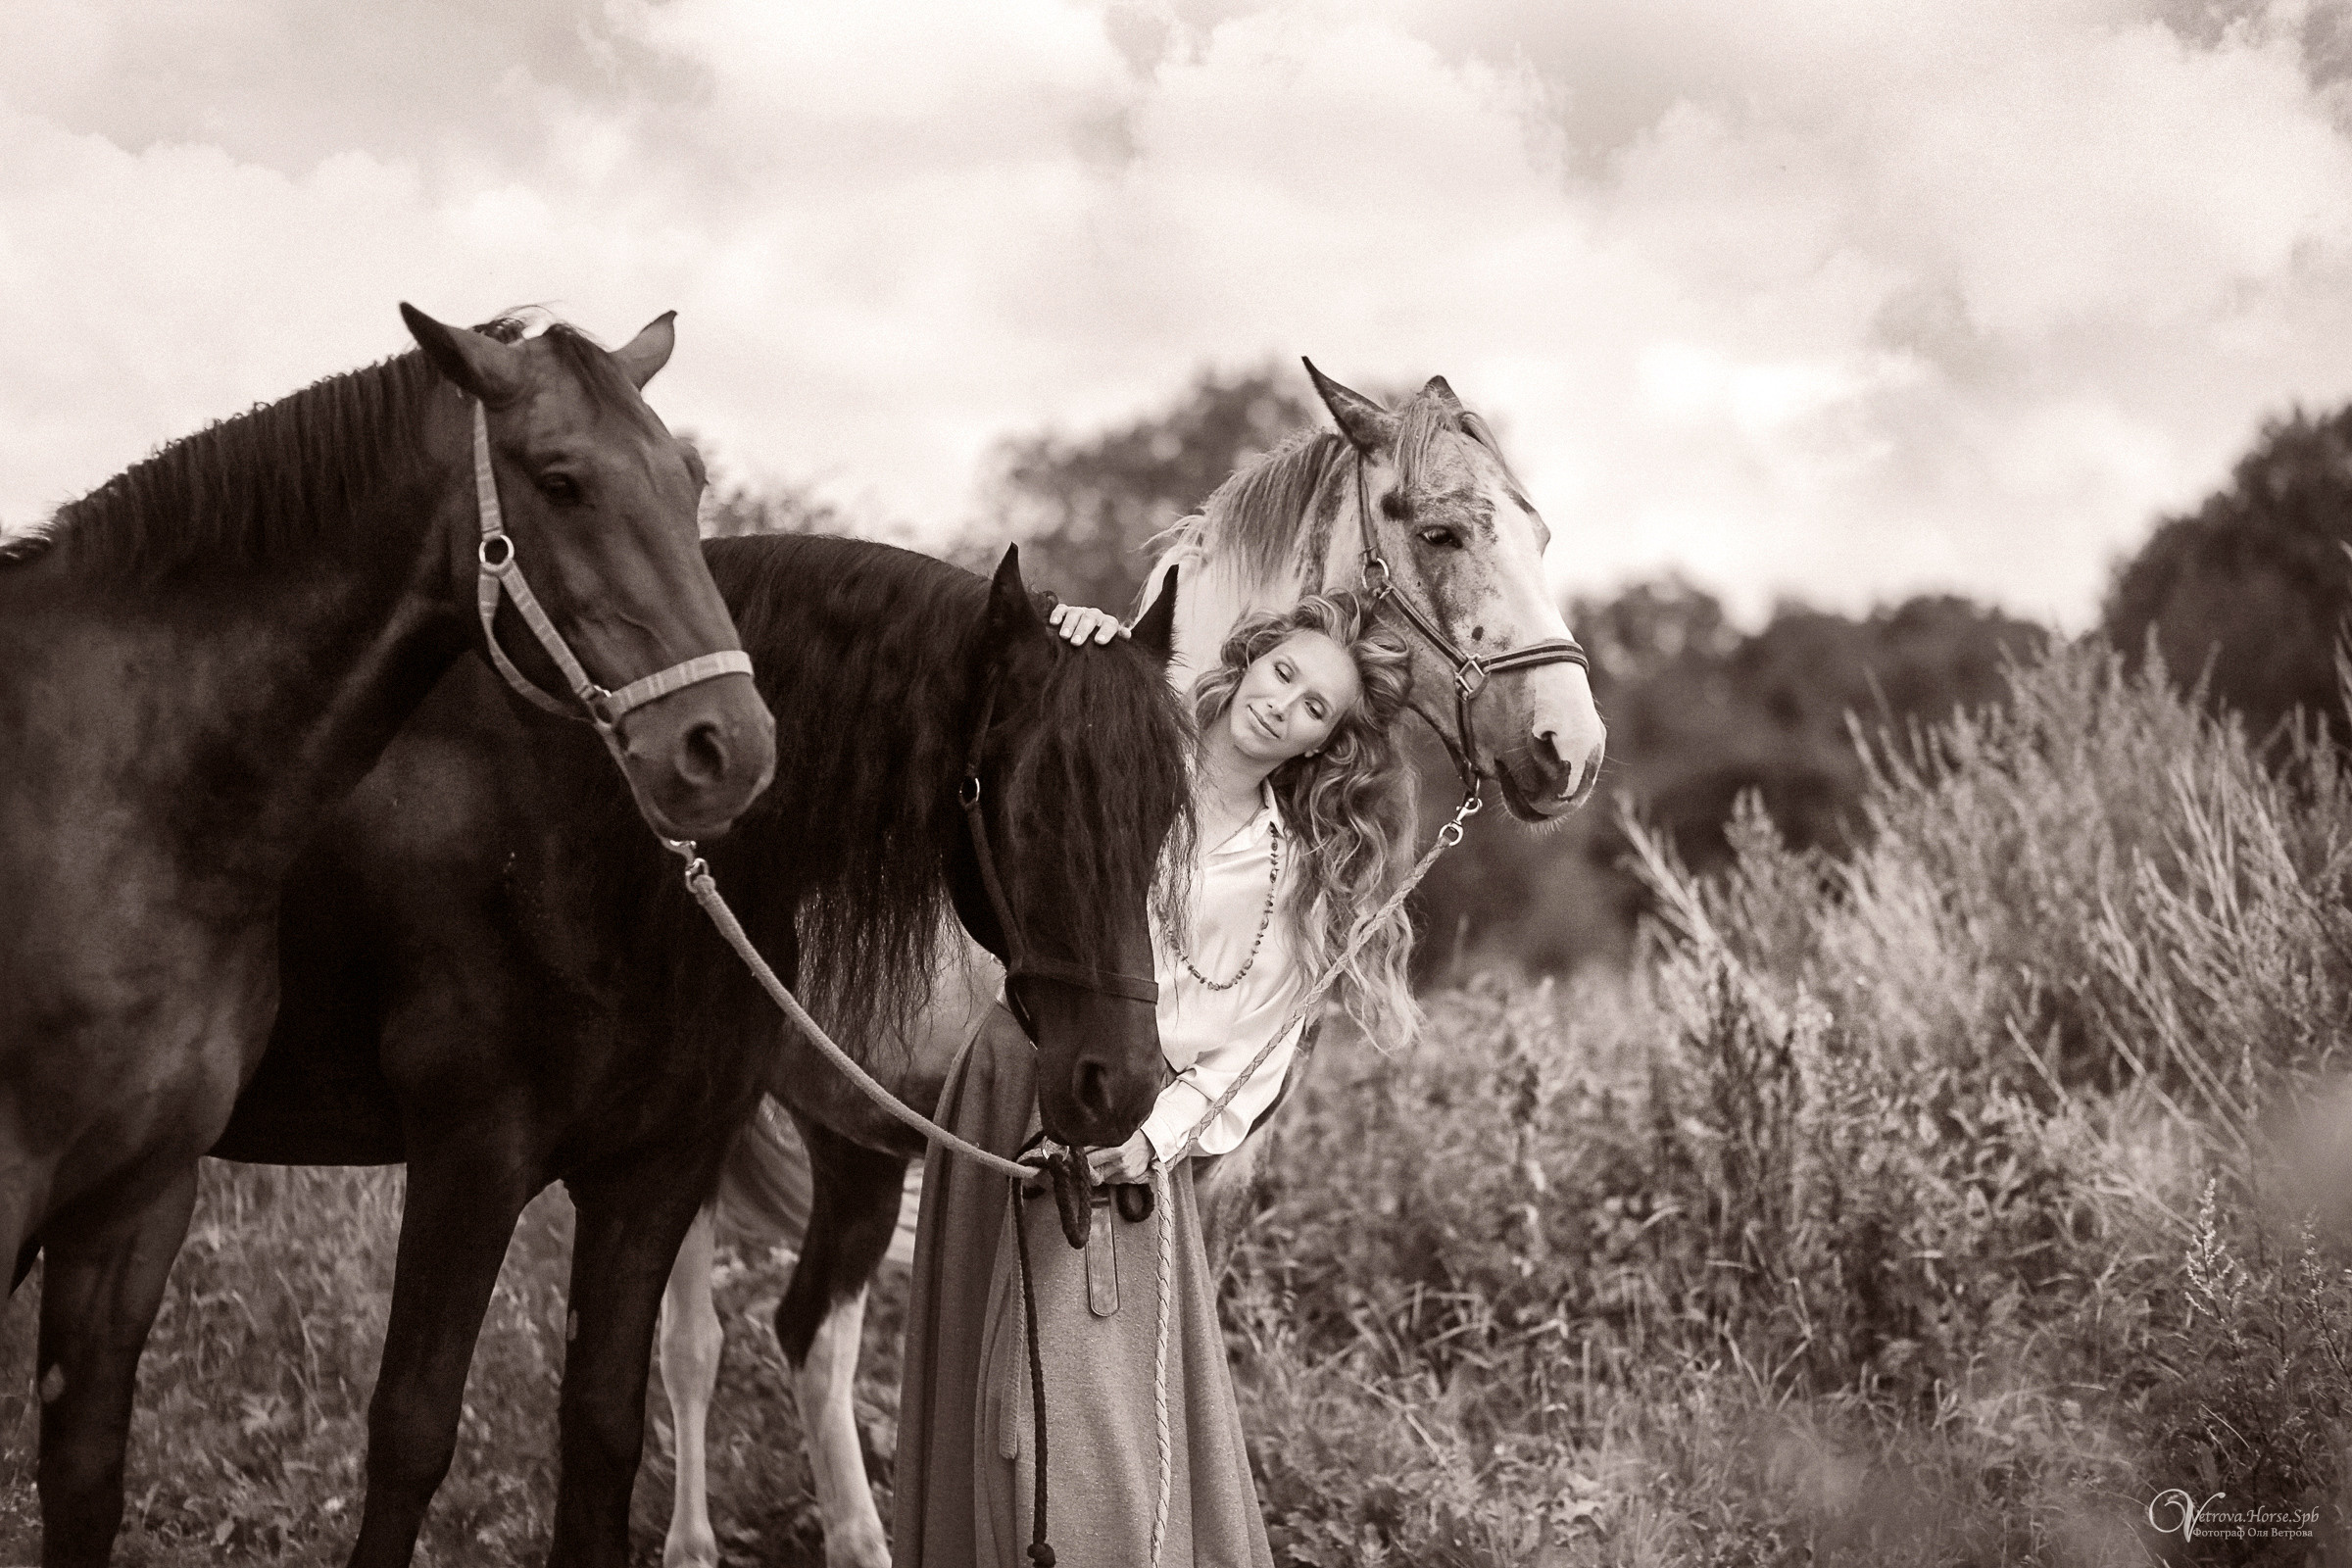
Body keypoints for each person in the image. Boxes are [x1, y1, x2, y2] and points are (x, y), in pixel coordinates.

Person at [894, 590, 1419, 1567]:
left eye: (1315, 708)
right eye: (1284, 672)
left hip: (1131, 1129)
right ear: (1250, 659)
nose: (1283, 704)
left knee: (1082, 1420)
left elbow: (1253, 1053)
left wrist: (1149, 1138)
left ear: (1325, 744)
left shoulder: (1294, 872)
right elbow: (1002, 690)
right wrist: (1072, 629)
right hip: (1015, 1070)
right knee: (981, 1386)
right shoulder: (1121, 752)